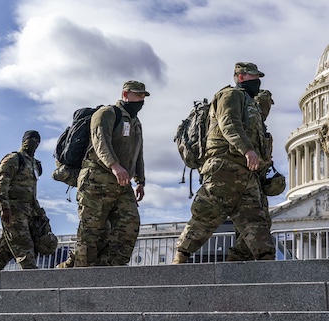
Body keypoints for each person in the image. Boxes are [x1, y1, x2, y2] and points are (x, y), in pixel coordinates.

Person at [173, 62, 275, 264]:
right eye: (253, 77)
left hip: (246, 172)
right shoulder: (230, 95)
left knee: (256, 221)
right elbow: (228, 123)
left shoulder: (250, 103)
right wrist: (247, 150)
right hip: (224, 167)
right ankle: (181, 257)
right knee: (206, 215)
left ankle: (265, 262)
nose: (258, 81)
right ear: (241, 77)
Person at [73, 81, 148, 267]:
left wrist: (140, 181)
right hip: (96, 179)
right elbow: (100, 141)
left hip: (122, 184)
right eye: (138, 95)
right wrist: (114, 165)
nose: (141, 100)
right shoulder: (107, 113)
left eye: (143, 96)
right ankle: (78, 276)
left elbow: (138, 153)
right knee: (91, 232)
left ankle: (108, 270)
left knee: (130, 225)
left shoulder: (136, 123)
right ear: (125, 94)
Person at [226, 89, 276, 261]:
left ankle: (239, 259)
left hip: (256, 181)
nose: (267, 109)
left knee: (257, 224)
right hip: (242, 179)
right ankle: (237, 259)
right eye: (265, 104)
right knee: (255, 224)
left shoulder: (262, 130)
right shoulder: (246, 124)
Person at [0, 130, 45, 270]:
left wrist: (40, 213)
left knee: (5, 251)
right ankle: (34, 281)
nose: (34, 143)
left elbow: (32, 193)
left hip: (29, 212)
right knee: (24, 246)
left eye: (37, 141)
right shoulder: (13, 159)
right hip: (13, 211)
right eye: (30, 139)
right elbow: (1, 184)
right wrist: (4, 207)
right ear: (23, 141)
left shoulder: (34, 164)